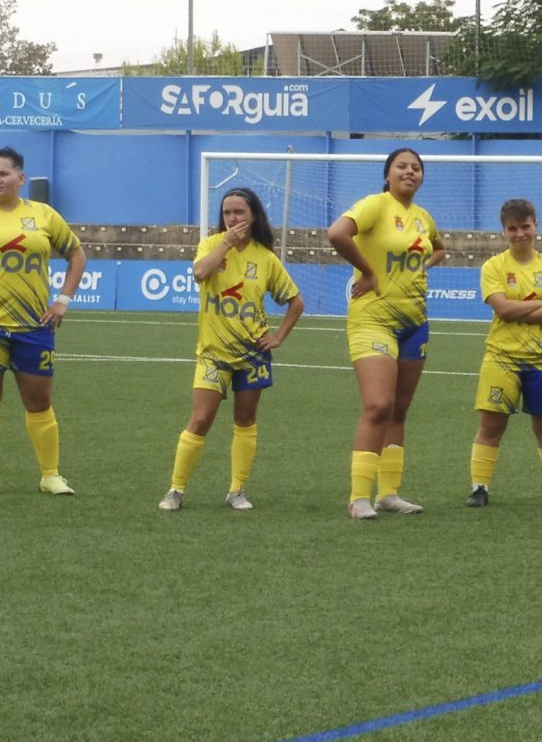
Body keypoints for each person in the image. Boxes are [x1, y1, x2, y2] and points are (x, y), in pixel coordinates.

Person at [159, 187, 304, 511]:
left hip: (252, 355)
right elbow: (199, 273)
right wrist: (225, 243)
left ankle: (237, 490)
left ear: (253, 216)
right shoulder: (211, 244)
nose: (233, 218)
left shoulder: (265, 258)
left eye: (239, 212)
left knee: (245, 419)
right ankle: (176, 490)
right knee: (200, 419)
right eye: (227, 213)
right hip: (213, 354)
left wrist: (278, 336)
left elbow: (296, 302)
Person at [0, 147, 87, 497]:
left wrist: (62, 301)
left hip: (34, 325)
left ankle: (50, 475)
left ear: (20, 178)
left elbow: (76, 255)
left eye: (4, 173)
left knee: (39, 400)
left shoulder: (43, 215)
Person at [327, 148, 445, 519]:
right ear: (387, 174)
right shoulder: (376, 206)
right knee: (378, 405)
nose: (410, 172)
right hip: (373, 319)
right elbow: (337, 233)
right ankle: (358, 497)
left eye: (416, 168)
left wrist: (419, 267)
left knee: (399, 408)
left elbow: (440, 249)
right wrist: (368, 271)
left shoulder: (423, 217)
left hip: (415, 323)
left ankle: (389, 494)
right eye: (402, 166)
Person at [466, 199, 542, 509]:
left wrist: (520, 309)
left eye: (525, 226)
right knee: (491, 425)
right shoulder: (493, 267)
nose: (520, 234)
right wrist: (540, 305)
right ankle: (479, 488)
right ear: (504, 231)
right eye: (513, 228)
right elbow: (502, 309)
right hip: (502, 357)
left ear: (536, 226)